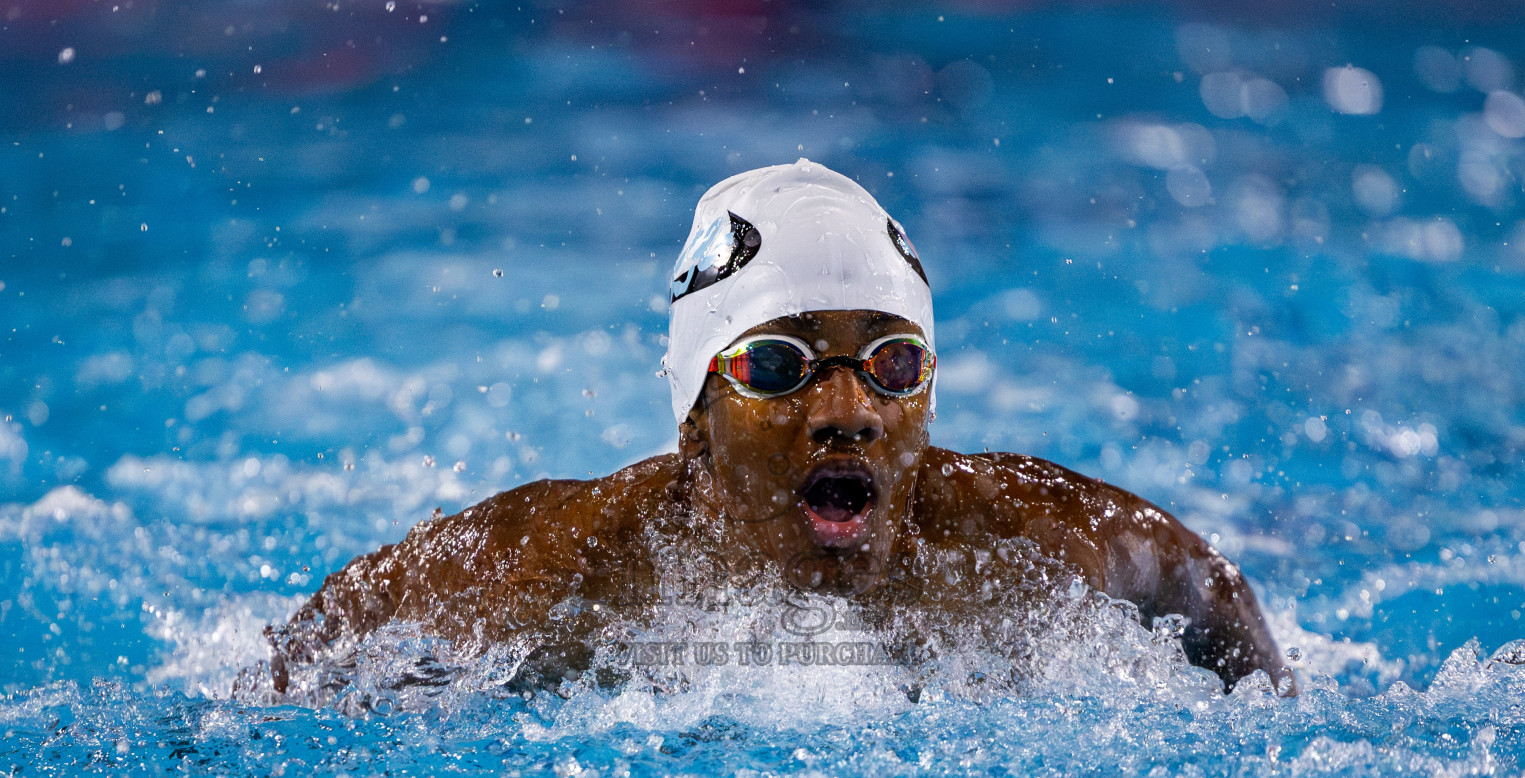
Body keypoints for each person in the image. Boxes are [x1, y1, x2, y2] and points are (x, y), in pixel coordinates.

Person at [265, 159, 1286, 697]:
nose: (848, 411)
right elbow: (335, 628)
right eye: (777, 366)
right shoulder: (570, 564)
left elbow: (1215, 596)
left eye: (893, 362)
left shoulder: (1026, 536)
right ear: (695, 422)